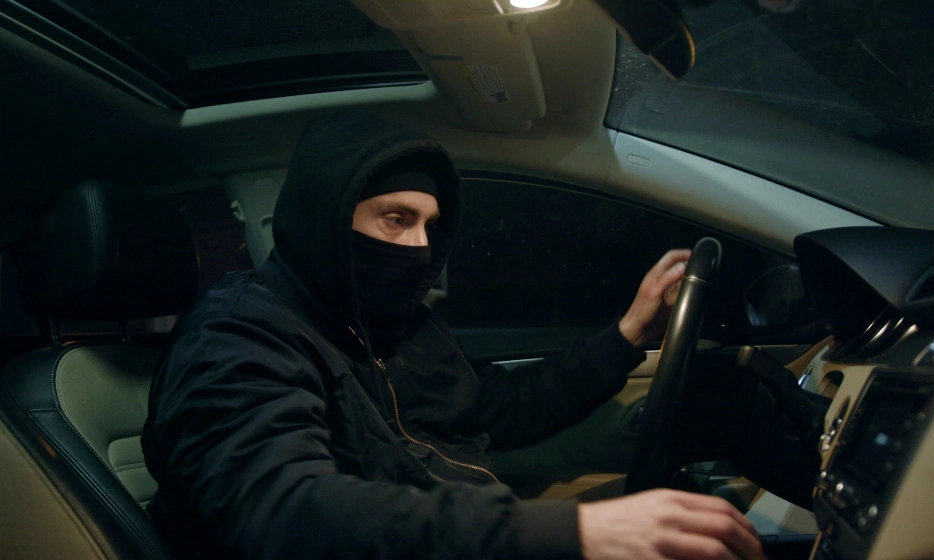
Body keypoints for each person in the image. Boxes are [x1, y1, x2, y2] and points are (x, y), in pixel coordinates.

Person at [142, 112, 815, 560]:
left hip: (465, 529)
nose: (419, 247)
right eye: (395, 219)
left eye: (430, 226)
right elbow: (289, 515)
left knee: (718, 407)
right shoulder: (238, 337)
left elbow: (502, 408)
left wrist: (628, 331)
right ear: (326, 217)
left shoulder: (396, 326)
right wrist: (572, 532)